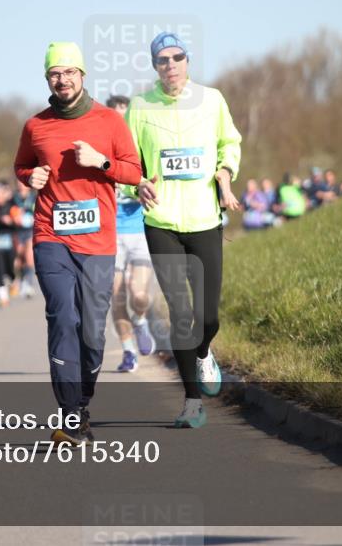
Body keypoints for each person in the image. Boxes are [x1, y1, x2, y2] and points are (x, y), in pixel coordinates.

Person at [14, 42, 141, 445]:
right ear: (47, 78)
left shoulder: (109, 121)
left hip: (98, 241)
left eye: (70, 71)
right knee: (62, 316)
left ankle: (82, 401)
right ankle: (69, 413)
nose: (62, 79)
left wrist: (101, 162)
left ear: (83, 76)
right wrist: (28, 177)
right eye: (55, 73)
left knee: (93, 332)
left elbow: (135, 172)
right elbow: (22, 165)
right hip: (51, 235)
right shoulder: (36, 126)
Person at [126, 32, 242, 428]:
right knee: (181, 312)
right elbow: (127, 161)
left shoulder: (212, 100)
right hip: (161, 222)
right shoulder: (140, 107)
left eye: (177, 57)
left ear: (187, 61)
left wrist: (225, 177)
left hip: (205, 220)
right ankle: (192, 401)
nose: (170, 65)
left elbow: (230, 144)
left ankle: (205, 351)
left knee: (208, 316)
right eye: (162, 60)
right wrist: (135, 184)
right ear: (155, 66)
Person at [105, 96, 156, 372]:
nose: (122, 124)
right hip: (110, 234)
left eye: (126, 118)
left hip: (138, 231)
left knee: (137, 294)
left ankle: (140, 321)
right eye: (116, 118)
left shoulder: (142, 153)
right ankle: (128, 351)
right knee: (116, 294)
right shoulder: (100, 155)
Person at [0, 181, 18, 307]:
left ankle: (12, 279)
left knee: (9, 267)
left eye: (0, 193)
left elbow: (18, 220)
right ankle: (3, 296)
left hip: (9, 240)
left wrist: (11, 221)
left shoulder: (12, 204)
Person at [12, 180, 38, 299]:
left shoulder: (34, 197)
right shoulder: (14, 198)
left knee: (29, 257)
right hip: (17, 231)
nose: (20, 185)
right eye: (18, 183)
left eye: (23, 183)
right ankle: (21, 280)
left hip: (30, 231)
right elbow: (9, 211)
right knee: (19, 258)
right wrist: (13, 217)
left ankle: (29, 284)